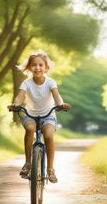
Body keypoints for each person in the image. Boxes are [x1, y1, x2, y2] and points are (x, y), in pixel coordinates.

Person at [8, 51, 70, 183]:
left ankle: (50, 168)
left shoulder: (50, 82)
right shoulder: (26, 83)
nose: (37, 68)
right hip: (31, 115)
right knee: (30, 129)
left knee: (48, 135)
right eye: (34, 65)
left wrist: (60, 105)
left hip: (48, 116)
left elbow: (56, 96)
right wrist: (15, 104)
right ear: (29, 67)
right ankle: (28, 162)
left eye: (41, 65)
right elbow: (20, 97)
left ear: (46, 68)